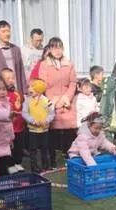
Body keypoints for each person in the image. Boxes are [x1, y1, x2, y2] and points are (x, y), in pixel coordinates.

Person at [38, 37, 77, 167]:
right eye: (54, 47)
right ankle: (52, 160)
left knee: (69, 132)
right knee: (53, 132)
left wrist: (66, 98)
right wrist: (53, 100)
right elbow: (42, 84)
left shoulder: (69, 64)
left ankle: (70, 158)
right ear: (49, 49)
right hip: (51, 102)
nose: (58, 50)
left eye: (60, 47)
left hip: (67, 102)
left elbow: (73, 83)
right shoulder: (44, 65)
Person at [0, 20, 27, 94]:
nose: (7, 34)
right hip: (0, 92)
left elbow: (21, 71)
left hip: (16, 91)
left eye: (8, 31)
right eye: (3, 31)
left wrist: (25, 91)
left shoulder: (16, 49)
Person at [22, 78, 55, 172]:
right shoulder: (27, 101)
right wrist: (32, 121)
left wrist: (46, 121)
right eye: (29, 87)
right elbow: (24, 113)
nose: (30, 89)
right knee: (33, 150)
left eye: (32, 88)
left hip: (44, 130)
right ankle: (35, 168)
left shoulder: (47, 101)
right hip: (33, 130)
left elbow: (52, 113)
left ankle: (46, 166)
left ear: (39, 90)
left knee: (45, 149)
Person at [1, 67, 25, 172]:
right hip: (8, 127)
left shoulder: (17, 93)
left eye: (12, 78)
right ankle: (10, 164)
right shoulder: (2, 95)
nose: (11, 80)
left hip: (19, 126)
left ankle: (18, 162)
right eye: (8, 78)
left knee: (19, 146)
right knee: (9, 147)